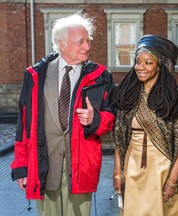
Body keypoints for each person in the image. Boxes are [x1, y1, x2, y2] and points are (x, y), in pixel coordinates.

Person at [10, 13, 116, 216]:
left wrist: (96, 120)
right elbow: (23, 126)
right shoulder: (34, 76)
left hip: (81, 168)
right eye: (80, 42)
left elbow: (113, 117)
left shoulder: (101, 77)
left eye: (88, 41)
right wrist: (21, 168)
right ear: (61, 44)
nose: (87, 46)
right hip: (44, 165)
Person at [113, 35, 178, 215]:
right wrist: (118, 172)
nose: (140, 67)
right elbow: (120, 137)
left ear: (160, 66)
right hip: (132, 167)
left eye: (148, 63)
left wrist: (172, 180)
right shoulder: (129, 96)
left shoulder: (173, 102)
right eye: (138, 62)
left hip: (161, 169)